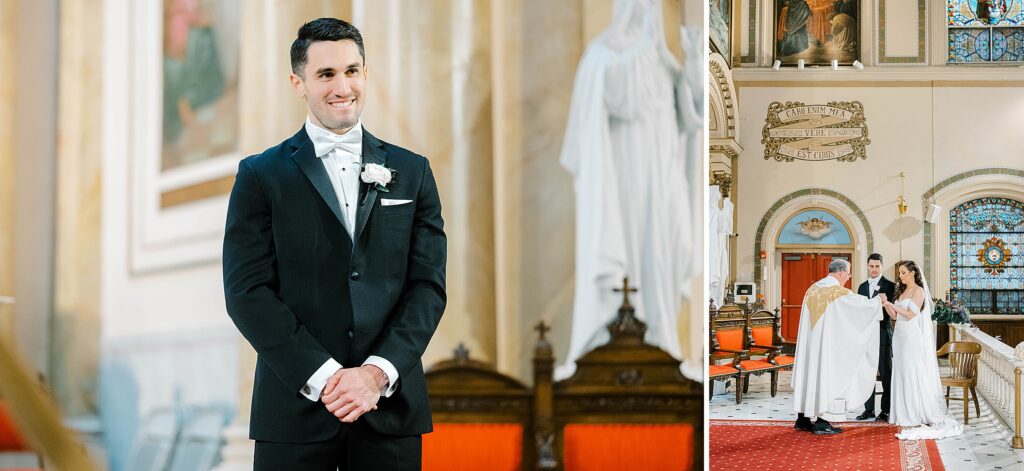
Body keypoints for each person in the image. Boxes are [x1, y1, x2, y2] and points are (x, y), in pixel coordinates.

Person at [222, 18, 447, 470]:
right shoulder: (260, 177)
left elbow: (428, 288)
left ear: (365, 74)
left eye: (352, 70)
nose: (342, 86)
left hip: (389, 412)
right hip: (294, 415)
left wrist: (375, 373)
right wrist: (327, 379)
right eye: (326, 74)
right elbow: (247, 293)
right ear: (298, 83)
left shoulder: (413, 171)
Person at [792, 259, 884, 435]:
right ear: (841, 272)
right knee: (824, 376)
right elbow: (858, 307)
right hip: (825, 347)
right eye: (848, 274)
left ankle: (802, 418)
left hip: (810, 345)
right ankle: (820, 422)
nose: (848, 278)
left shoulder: (813, 289)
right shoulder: (836, 292)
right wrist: (877, 301)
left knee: (810, 375)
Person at [883, 260, 963, 440]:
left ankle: (914, 413)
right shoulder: (902, 291)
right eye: (900, 273)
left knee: (912, 372)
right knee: (901, 372)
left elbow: (911, 314)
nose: (900, 276)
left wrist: (891, 303)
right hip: (899, 335)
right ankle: (901, 412)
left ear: (912, 273)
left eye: (903, 272)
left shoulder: (918, 291)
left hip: (911, 337)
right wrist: (887, 305)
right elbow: (895, 316)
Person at [855, 253, 896, 422]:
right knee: (866, 373)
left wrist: (885, 302)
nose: (874, 269)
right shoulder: (862, 287)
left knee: (886, 373)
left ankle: (886, 410)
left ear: (882, 266)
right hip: (866, 335)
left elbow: (893, 312)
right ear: (867, 266)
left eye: (877, 266)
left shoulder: (891, 286)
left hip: (882, 333)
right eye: (871, 266)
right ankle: (869, 409)